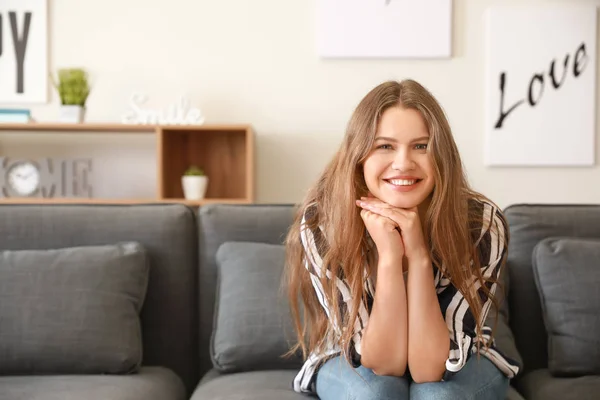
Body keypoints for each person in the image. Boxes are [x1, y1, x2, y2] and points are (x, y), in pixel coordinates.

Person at [284, 80, 520, 400]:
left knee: (439, 397)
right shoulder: (323, 224)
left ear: (442, 156)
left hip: (460, 355)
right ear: (359, 156)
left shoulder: (481, 225)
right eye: (385, 146)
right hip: (349, 354)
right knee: (375, 394)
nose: (403, 163)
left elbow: (429, 369)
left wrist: (419, 252)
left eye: (421, 146)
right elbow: (384, 363)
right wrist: (391, 257)